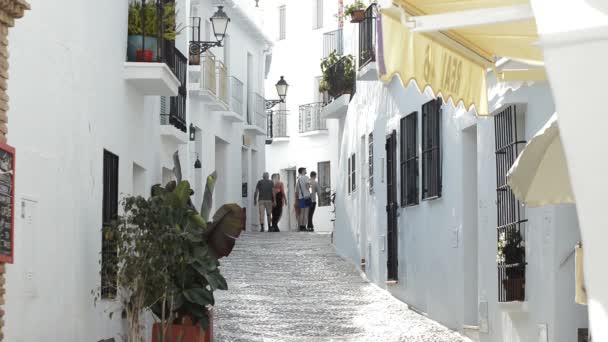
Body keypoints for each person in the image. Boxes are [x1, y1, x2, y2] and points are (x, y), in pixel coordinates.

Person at [296, 167, 311, 232]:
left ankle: (301, 226)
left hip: (301, 197)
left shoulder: (298, 179)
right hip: (306, 197)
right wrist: (309, 186)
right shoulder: (306, 177)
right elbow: (307, 187)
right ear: (302, 171)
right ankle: (304, 226)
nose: (306, 171)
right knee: (306, 213)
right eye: (305, 170)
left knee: (302, 213)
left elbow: (297, 190)